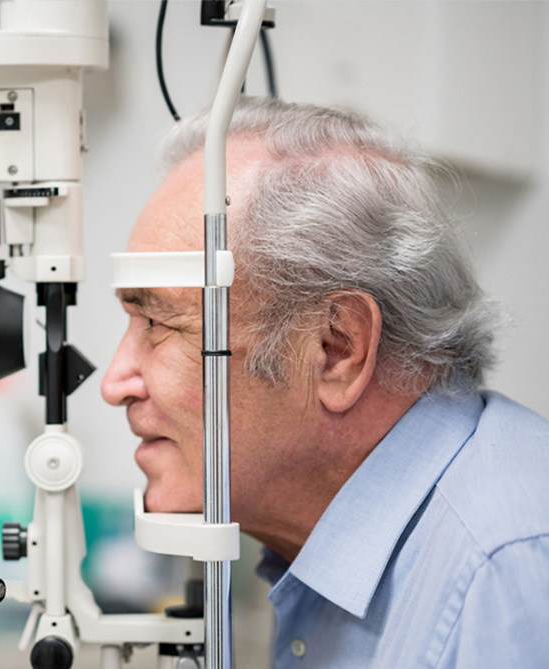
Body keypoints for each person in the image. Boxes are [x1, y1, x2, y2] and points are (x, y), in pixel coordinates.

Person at [101, 96, 549, 667]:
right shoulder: (313, 560)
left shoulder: (507, 570)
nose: (114, 383)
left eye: (160, 323)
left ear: (336, 348)